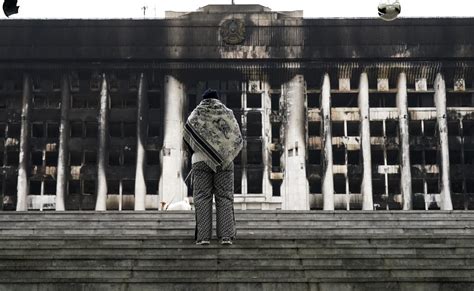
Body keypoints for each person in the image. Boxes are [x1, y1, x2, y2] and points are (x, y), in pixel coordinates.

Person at [183, 89, 243, 246]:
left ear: (203, 99)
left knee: (202, 197)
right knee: (224, 197)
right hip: (224, 160)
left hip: (200, 161)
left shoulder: (195, 114)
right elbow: (236, 137)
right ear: (218, 99)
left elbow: (187, 138)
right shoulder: (227, 113)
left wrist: (196, 152)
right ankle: (226, 237)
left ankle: (203, 237)